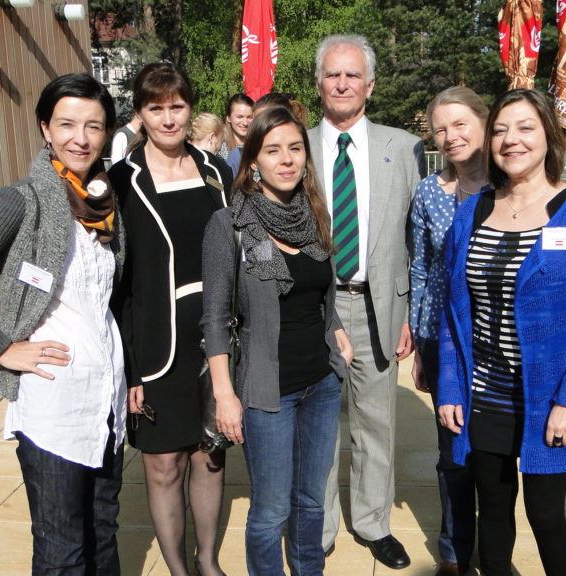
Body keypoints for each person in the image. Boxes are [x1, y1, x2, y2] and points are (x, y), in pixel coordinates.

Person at [0, 73, 126, 575]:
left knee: (102, 534)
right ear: (45, 129)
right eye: (67, 124)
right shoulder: (23, 200)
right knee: (62, 549)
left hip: (105, 399)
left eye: (94, 126)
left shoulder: (104, 201)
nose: (81, 137)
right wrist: (0, 346)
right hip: (53, 404)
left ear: (107, 135)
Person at [436, 88, 566, 576]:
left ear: (548, 137)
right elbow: (453, 312)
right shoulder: (471, 212)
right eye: (500, 130)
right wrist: (450, 386)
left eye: (525, 128)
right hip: (485, 395)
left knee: (545, 515)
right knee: (492, 511)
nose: (511, 140)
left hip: (547, 398)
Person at [202, 106, 354, 576]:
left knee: (311, 501)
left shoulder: (313, 216)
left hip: (322, 384)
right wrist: (225, 395)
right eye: (273, 150)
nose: (286, 160)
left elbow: (323, 294)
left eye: (294, 149)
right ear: (252, 163)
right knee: (270, 512)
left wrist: (339, 333)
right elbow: (214, 318)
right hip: (268, 392)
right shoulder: (230, 226)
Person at [108, 63, 232, 576]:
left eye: (176, 106)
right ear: (140, 114)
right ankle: (178, 570)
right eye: (155, 108)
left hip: (217, 339)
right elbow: (117, 282)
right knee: (163, 465)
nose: (167, 118)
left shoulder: (215, 171)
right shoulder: (121, 180)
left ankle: (208, 563)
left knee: (209, 454)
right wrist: (131, 368)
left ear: (190, 108)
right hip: (157, 343)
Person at [309, 34, 425, 570]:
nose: (342, 83)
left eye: (352, 75)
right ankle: (322, 527)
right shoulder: (297, 147)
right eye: (332, 74)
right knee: (320, 427)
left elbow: (417, 237)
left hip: (381, 307)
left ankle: (373, 522)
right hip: (316, 310)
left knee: (377, 423)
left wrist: (409, 316)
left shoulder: (404, 148)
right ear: (318, 84)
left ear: (370, 86)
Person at [409, 86, 490, 576]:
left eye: (460, 124)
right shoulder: (427, 194)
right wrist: (420, 345)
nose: (450, 136)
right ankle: (454, 550)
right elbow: (420, 270)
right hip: (444, 341)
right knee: (453, 451)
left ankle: (496, 546)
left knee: (496, 454)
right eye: (440, 128)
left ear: (484, 123)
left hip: (500, 343)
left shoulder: (511, 190)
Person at [219, 93, 254, 172]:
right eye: (239, 117)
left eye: (249, 117)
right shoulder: (219, 148)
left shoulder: (259, 146)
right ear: (228, 118)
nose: (245, 122)